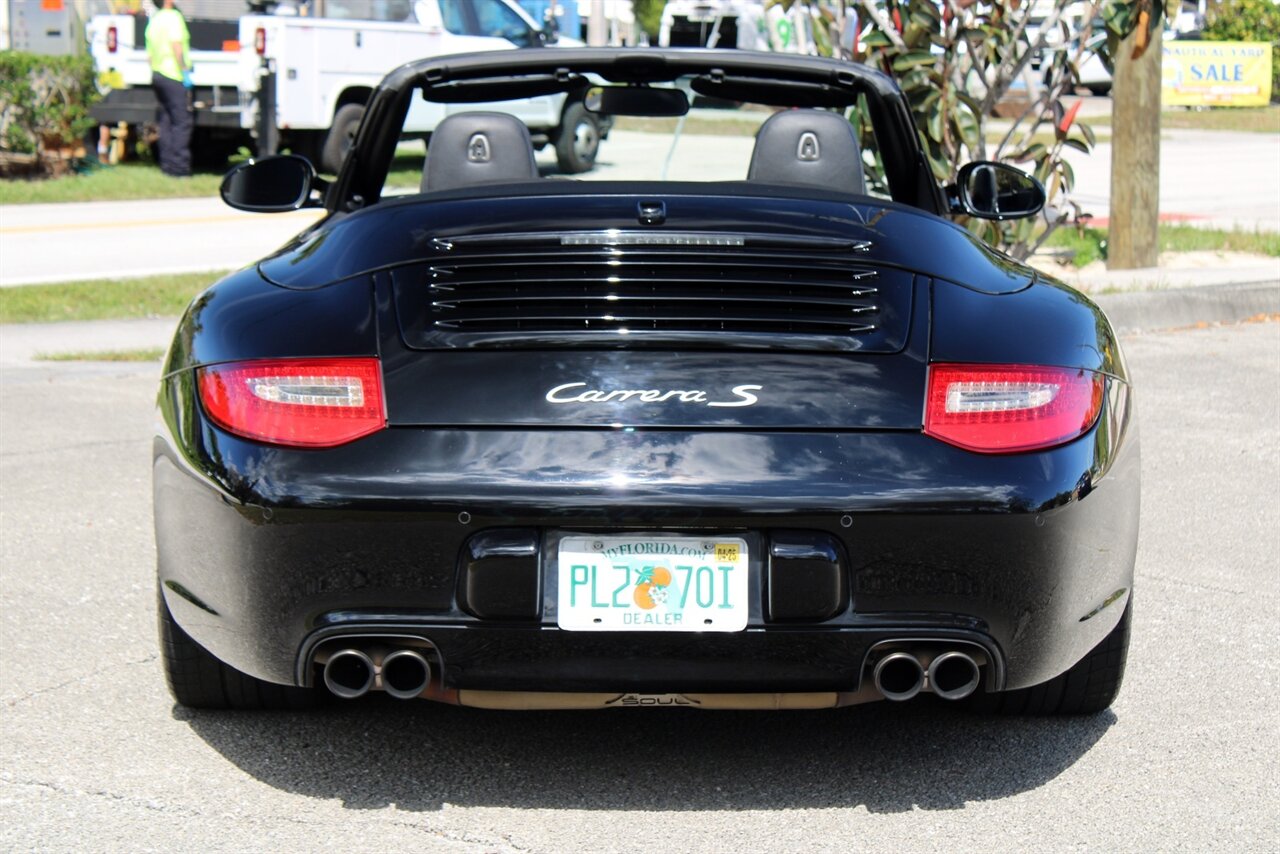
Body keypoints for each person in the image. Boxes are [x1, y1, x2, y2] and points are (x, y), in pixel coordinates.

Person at [145, 0, 193, 176]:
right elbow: (176, 46)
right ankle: (180, 168)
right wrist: (185, 70)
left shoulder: (155, 19)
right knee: (181, 122)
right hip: (173, 74)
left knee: (165, 121)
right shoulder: (174, 17)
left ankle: (166, 165)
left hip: (157, 74)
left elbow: (149, 53)